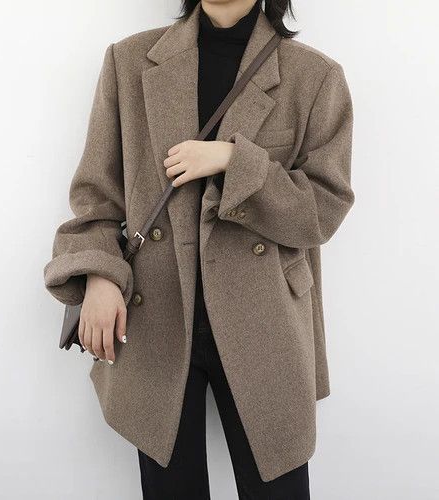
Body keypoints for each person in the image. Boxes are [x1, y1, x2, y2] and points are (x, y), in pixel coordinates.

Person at [43, 0, 354, 498]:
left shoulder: (314, 77)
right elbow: (96, 197)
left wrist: (235, 161)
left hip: (266, 323)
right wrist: (100, 277)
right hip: (156, 317)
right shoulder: (130, 61)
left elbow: (323, 208)